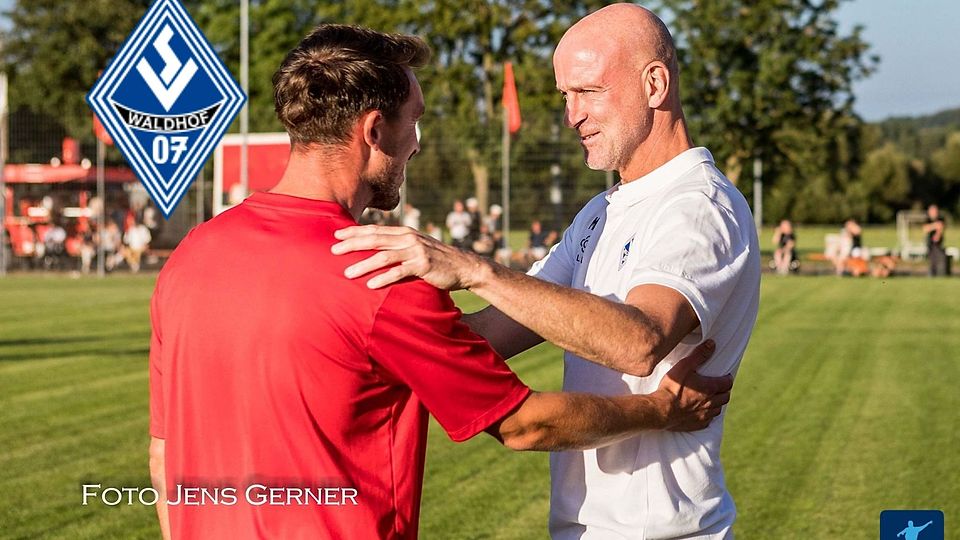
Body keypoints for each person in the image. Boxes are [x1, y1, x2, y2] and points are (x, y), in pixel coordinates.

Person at [149, 24, 732, 540]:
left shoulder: (191, 256)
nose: (418, 142)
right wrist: (661, 409)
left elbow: (163, 454)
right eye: (415, 120)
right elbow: (525, 424)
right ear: (374, 130)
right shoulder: (379, 275)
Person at [333, 5, 760, 538]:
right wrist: (356, 327)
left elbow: (641, 341)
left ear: (655, 84)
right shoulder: (602, 211)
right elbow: (491, 334)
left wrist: (474, 270)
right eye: (565, 96)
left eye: (588, 91)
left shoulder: (697, 205)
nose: (571, 115)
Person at [923, 204, 947, 276]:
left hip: (938, 244)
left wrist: (937, 233)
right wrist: (935, 225)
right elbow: (925, 229)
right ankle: (931, 275)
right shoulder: (927, 219)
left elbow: (941, 227)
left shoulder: (940, 218)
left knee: (940, 258)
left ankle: (941, 274)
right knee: (932, 260)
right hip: (930, 243)